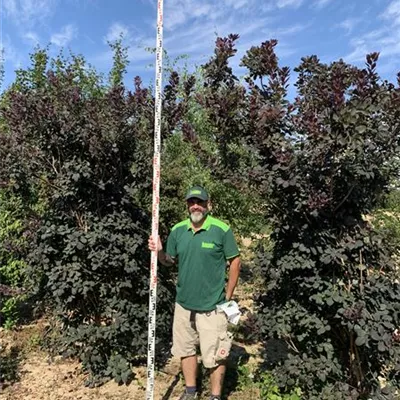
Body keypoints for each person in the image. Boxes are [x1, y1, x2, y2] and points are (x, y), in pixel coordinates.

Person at [148, 185, 241, 400]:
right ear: (187, 205)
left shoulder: (221, 230)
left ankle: (216, 396)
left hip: (212, 306)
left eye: (200, 202)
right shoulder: (178, 230)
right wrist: (160, 250)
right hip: (183, 305)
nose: (195, 206)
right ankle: (190, 392)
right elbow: (169, 261)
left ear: (208, 205)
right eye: (191, 202)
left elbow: (235, 260)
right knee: (186, 349)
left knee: (216, 355)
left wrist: (228, 295)